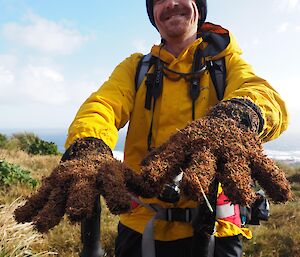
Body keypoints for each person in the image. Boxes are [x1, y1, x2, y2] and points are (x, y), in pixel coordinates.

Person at [15, 1, 290, 257]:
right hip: (139, 225)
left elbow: (262, 95)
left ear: (199, 6)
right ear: (153, 15)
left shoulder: (226, 63)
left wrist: (233, 119)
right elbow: (103, 106)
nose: (170, 4)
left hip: (217, 231)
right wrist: (89, 144)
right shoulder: (135, 68)